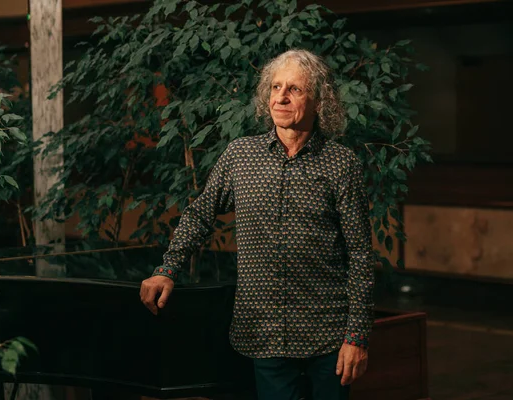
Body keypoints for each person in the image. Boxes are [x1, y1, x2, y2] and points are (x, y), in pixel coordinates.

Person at [140, 49, 375, 400]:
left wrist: (356, 338)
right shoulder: (240, 156)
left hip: (327, 336)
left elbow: (359, 255)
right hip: (262, 333)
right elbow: (201, 214)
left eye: (294, 89)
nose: (280, 97)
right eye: (275, 87)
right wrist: (167, 268)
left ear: (319, 101)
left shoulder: (342, 164)